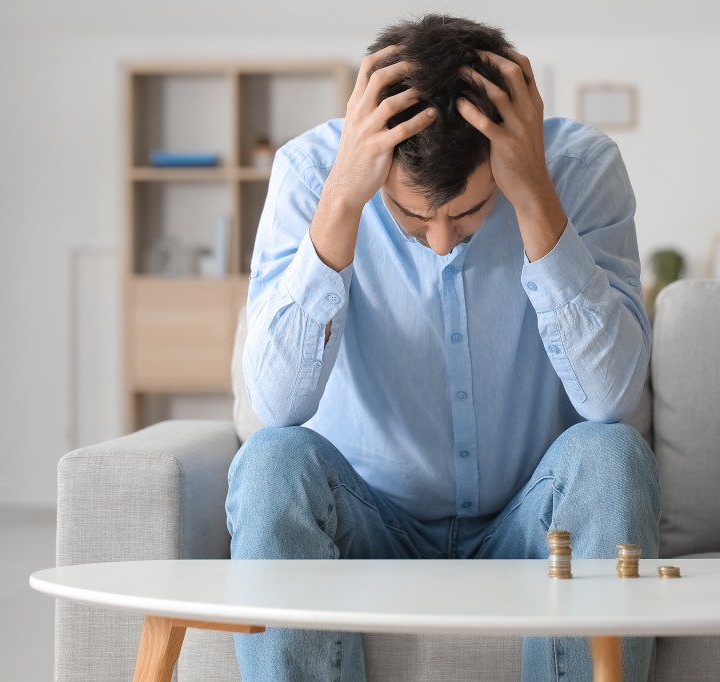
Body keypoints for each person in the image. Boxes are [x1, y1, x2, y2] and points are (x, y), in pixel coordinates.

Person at [226, 14, 659, 681]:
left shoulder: (579, 168)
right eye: (410, 217)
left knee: (610, 454)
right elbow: (276, 404)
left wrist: (534, 193)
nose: (439, 241)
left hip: (532, 524)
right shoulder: (312, 172)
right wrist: (343, 202)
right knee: (272, 460)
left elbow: (611, 397)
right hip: (368, 523)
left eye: (465, 212)